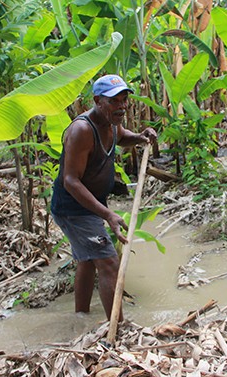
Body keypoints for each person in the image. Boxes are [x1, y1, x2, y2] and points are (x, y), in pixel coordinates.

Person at [51, 74, 157, 321]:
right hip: (73, 208)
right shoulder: (82, 130)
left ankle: (81, 317)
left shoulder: (110, 120)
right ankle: (118, 331)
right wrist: (107, 214)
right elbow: (70, 180)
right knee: (108, 262)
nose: (121, 106)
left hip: (88, 205)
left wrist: (141, 138)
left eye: (124, 100)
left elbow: (122, 137)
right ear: (98, 101)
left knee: (88, 260)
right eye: (114, 101)